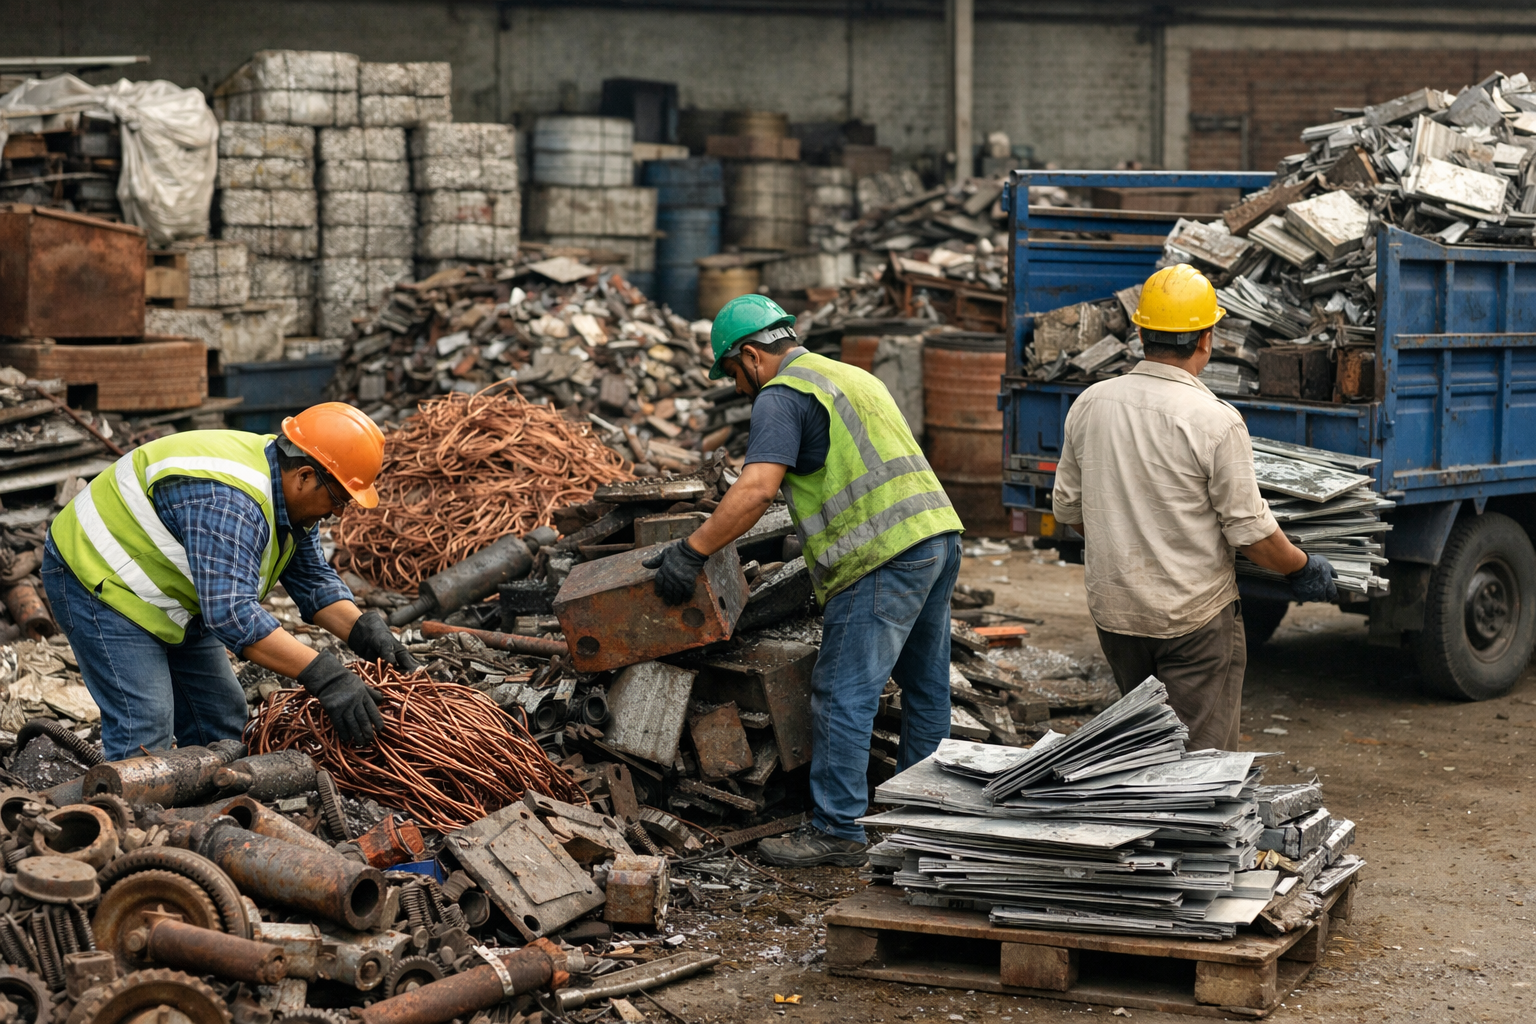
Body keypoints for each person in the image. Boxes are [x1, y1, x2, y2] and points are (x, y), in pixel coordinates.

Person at [641, 294, 965, 867]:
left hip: (880, 553)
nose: (741, 392)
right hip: (937, 536)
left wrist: (691, 551)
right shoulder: (848, 375)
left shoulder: (781, 395)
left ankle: (837, 831)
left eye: (735, 377)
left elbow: (757, 489)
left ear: (750, 356)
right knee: (925, 690)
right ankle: (927, 823)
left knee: (843, 693)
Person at [1051, 264, 1337, 750]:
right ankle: (1183, 828)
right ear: (1207, 339)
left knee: (1138, 749)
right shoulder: (1215, 421)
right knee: (1199, 765)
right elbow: (1250, 533)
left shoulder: (1091, 403)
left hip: (1116, 614)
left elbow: (1070, 511)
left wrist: (1127, 543)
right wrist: (1302, 566)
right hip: (1193, 621)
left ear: (1140, 332)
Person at [42, 403, 420, 761]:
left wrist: (363, 630)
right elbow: (232, 615)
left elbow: (311, 578)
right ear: (305, 476)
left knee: (221, 721)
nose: (338, 511)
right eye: (339, 499)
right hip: (98, 576)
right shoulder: (232, 501)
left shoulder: (285, 489)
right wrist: (326, 676)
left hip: (170, 593)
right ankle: (128, 822)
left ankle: (208, 814)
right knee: (146, 725)